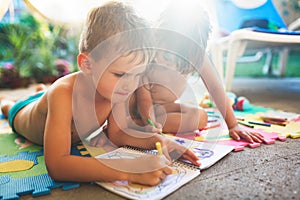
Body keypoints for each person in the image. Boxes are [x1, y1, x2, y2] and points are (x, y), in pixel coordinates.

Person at [1, 1, 199, 186]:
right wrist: (128, 170)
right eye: (120, 74)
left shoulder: (117, 90)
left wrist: (158, 141)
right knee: (11, 108)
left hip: (51, 105)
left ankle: (40, 92)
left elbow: (119, 134)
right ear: (87, 64)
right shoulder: (63, 95)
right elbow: (57, 165)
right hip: (23, 115)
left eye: (138, 75)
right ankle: (8, 101)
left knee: (44, 97)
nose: (130, 85)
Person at [133, 1, 264, 143]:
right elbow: (143, 96)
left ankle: (137, 124)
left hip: (161, 108)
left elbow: (215, 87)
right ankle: (135, 124)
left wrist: (233, 125)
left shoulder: (195, 54)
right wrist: (148, 120)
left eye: (176, 61)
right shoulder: (150, 46)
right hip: (136, 104)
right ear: (158, 33)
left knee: (201, 117)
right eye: (165, 54)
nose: (163, 61)